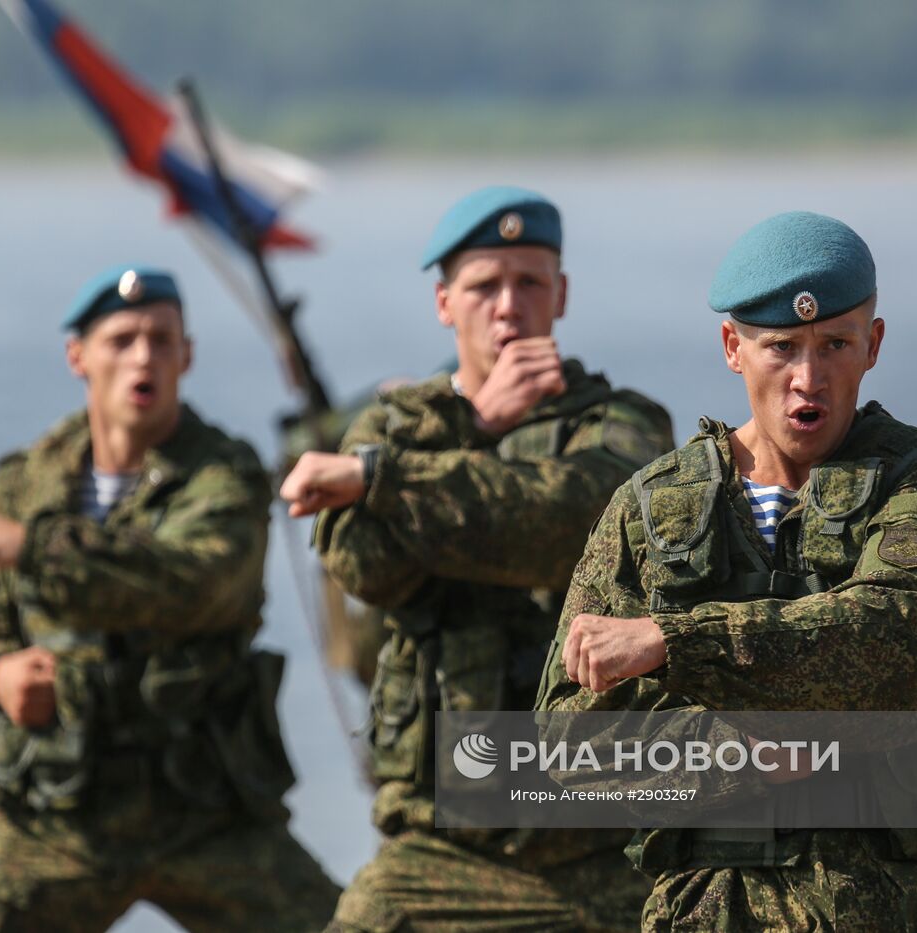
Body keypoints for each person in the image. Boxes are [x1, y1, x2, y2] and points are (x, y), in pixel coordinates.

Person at [539, 211, 917, 931]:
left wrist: (678, 642)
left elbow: (885, 651)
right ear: (732, 348)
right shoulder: (650, 509)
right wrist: (744, 755)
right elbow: (567, 743)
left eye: (834, 344)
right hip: (718, 911)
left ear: (871, 345)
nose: (808, 379)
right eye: (781, 347)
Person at [281, 187, 677, 932]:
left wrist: (384, 482)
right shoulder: (392, 423)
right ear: (444, 302)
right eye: (483, 286)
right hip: (444, 838)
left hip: (603, 829)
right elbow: (362, 561)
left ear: (560, 295)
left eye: (529, 283)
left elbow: (573, 520)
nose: (507, 306)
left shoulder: (622, 423)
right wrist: (476, 421)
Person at [0, 266, 340, 931]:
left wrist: (34, 549)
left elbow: (189, 585)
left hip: (203, 804)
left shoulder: (223, 472)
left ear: (186, 356)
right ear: (77, 356)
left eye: (160, 339)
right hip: (60, 810)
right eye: (121, 340)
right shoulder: (27, 478)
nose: (143, 356)